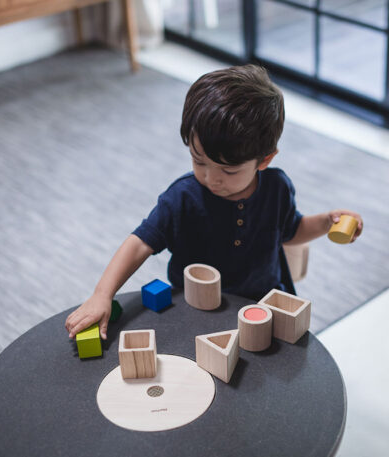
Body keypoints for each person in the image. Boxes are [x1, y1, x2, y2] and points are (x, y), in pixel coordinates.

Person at [65, 64, 363, 341]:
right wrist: (102, 294)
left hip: (262, 306)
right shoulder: (183, 197)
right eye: (199, 161)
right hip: (196, 309)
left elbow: (291, 230)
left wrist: (326, 222)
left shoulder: (277, 187)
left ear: (264, 160)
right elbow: (139, 243)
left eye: (229, 171)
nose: (211, 178)